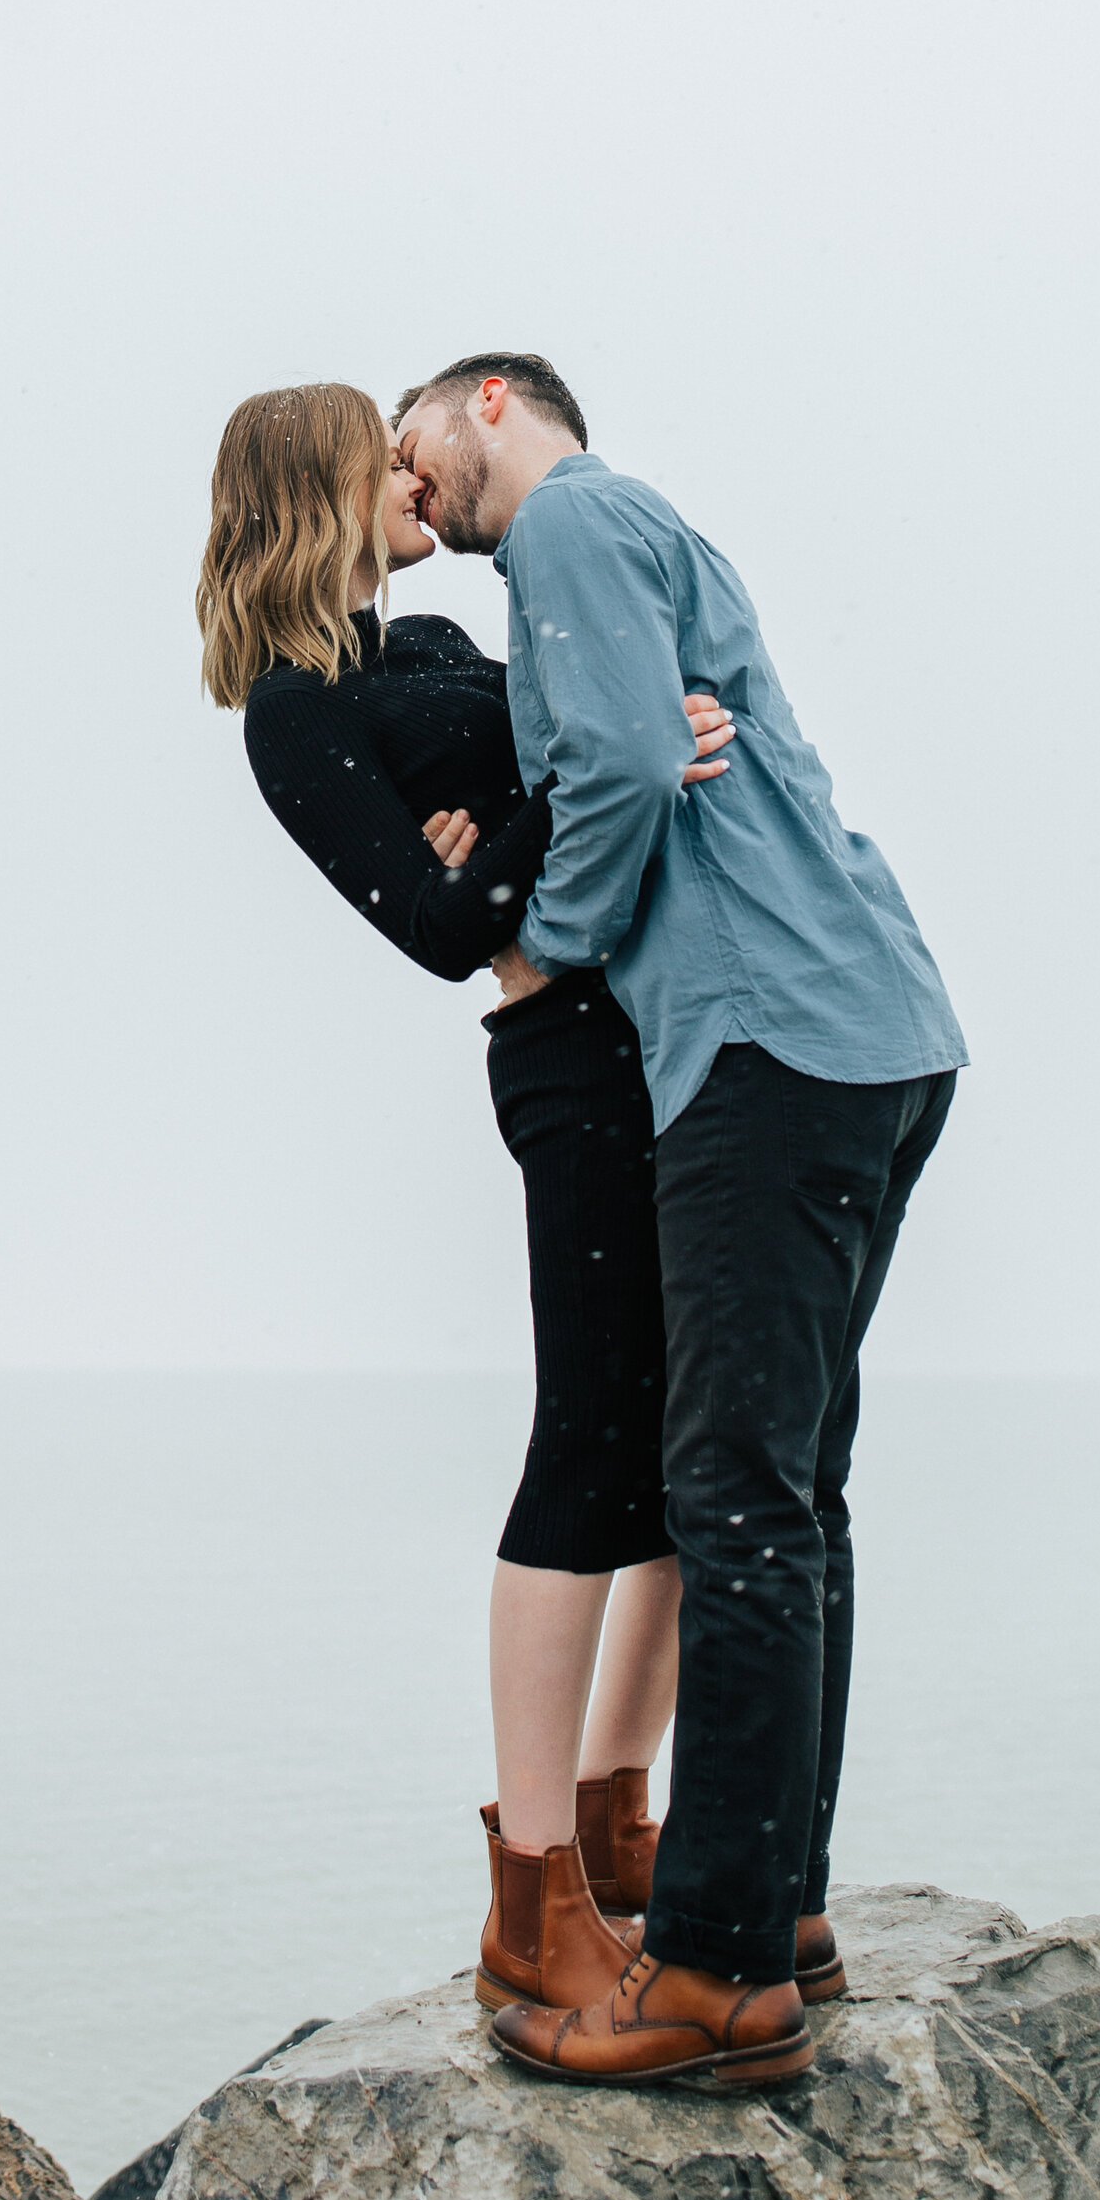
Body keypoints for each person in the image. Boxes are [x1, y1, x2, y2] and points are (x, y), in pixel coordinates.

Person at [393, 354, 966, 2094]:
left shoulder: (567, 515)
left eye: (412, 446)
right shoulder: (640, 540)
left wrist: (544, 931)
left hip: (764, 1035)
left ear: (492, 397)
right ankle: (771, 1905)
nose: (410, 499)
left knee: (730, 1493)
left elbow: (636, 769)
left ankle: (712, 1969)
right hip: (873, 1025)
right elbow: (639, 752)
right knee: (790, 1487)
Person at [195, 381, 735, 2015]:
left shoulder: (427, 651)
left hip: (657, 1026)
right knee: (586, 1447)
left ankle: (620, 1831)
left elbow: (501, 839)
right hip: (563, 1063)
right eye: (384, 446)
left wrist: (511, 820)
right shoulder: (290, 708)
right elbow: (441, 926)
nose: (412, 467)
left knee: (687, 1459)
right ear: (325, 482)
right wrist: (570, 795)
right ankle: (535, 1885)